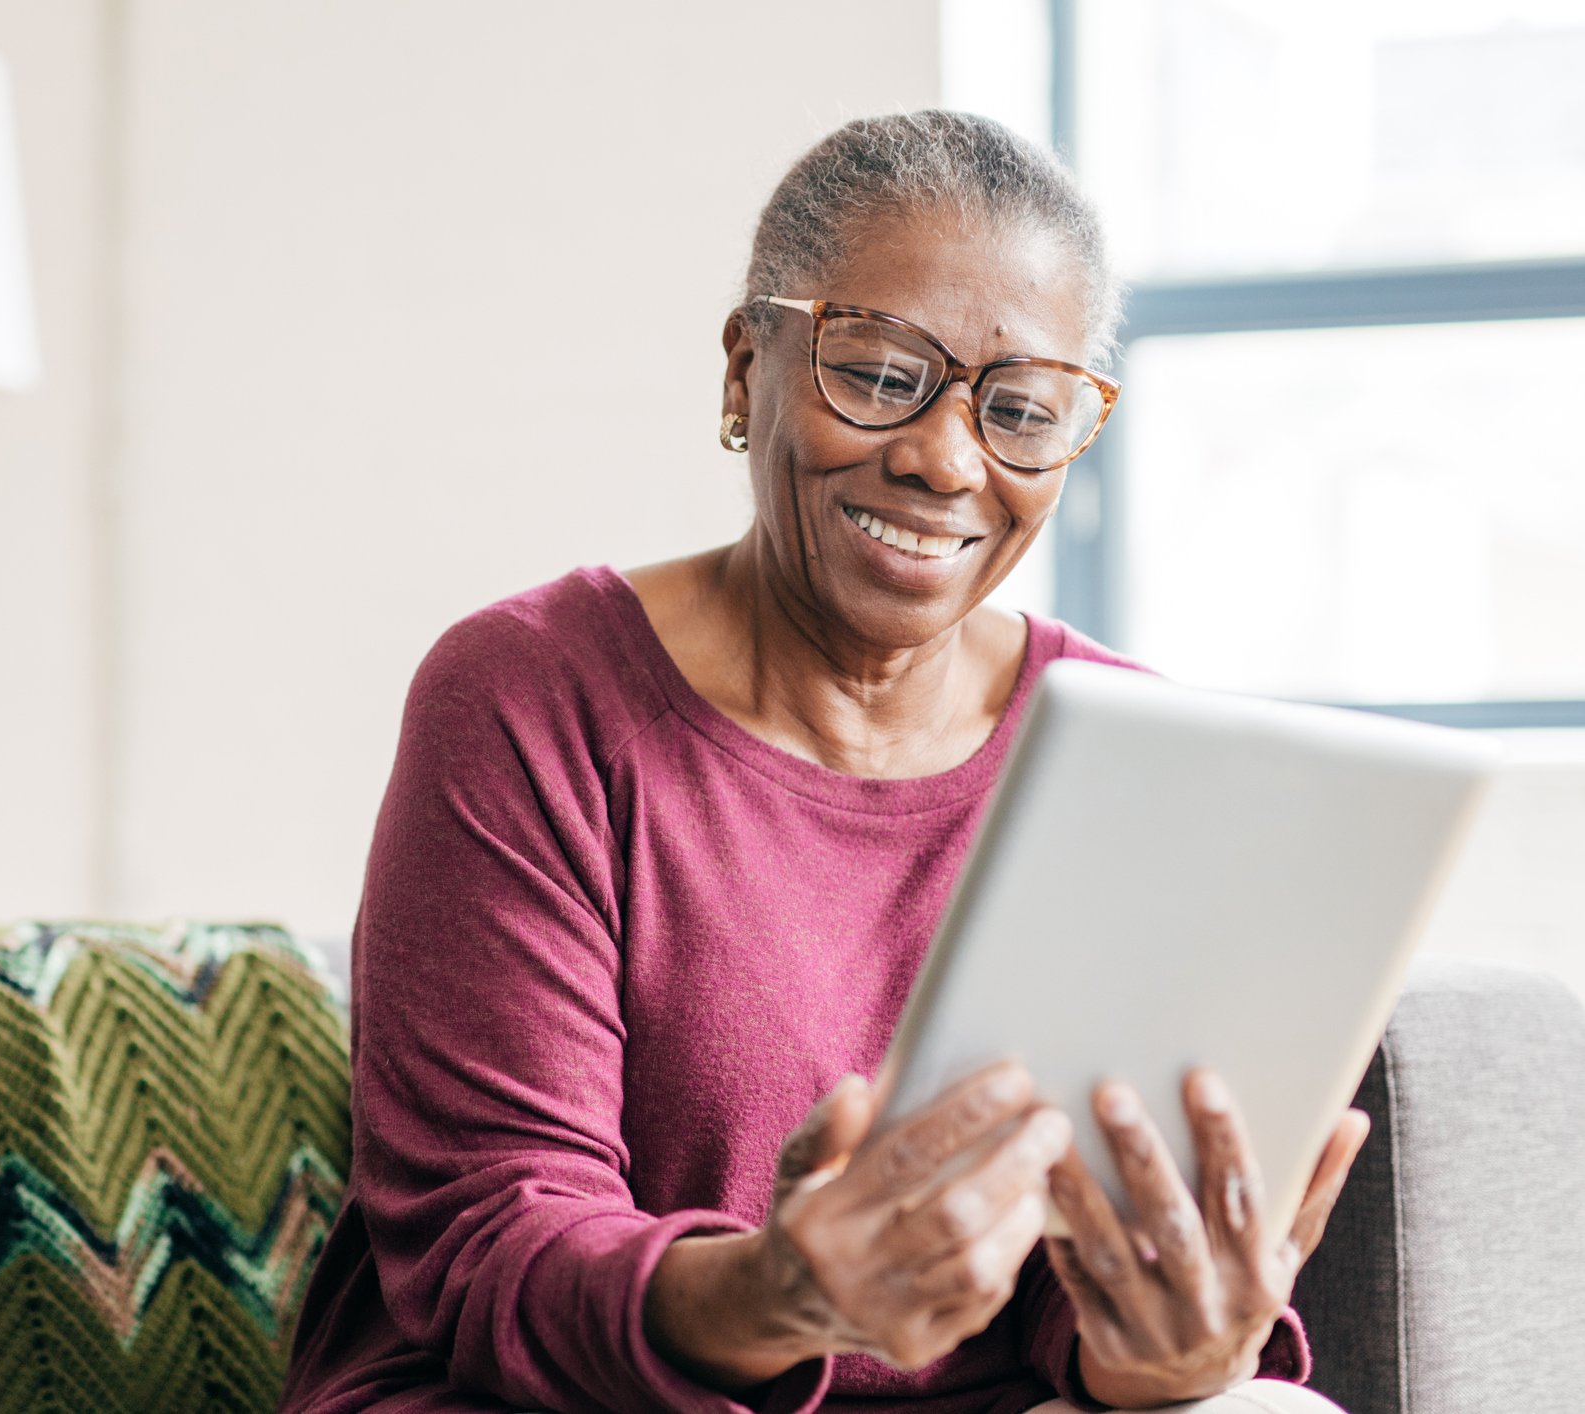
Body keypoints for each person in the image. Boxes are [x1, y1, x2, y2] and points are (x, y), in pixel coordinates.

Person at [278, 111, 1368, 1414]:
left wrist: (1168, 1347)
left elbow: (1078, 1294)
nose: (946, 458)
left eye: (1021, 408)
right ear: (749, 368)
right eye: (880, 371)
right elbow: (493, 1248)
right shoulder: (529, 696)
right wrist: (784, 1289)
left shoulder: (1124, 746)